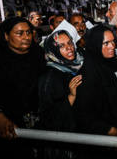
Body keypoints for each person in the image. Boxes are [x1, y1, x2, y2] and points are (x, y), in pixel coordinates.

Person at [0, 17, 46, 158]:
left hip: (41, 128)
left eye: (29, 32)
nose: (26, 37)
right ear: (6, 35)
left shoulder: (40, 55)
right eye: (19, 33)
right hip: (8, 131)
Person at [73, 24, 117, 137]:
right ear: (94, 45)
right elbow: (83, 114)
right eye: (106, 43)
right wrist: (107, 130)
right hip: (101, 136)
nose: (112, 46)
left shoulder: (116, 64)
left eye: (113, 42)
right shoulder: (86, 76)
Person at [38, 29, 83, 158]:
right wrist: (71, 96)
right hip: (62, 145)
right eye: (61, 46)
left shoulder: (77, 66)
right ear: (52, 50)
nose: (69, 48)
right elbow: (47, 118)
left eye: (70, 43)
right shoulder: (49, 77)